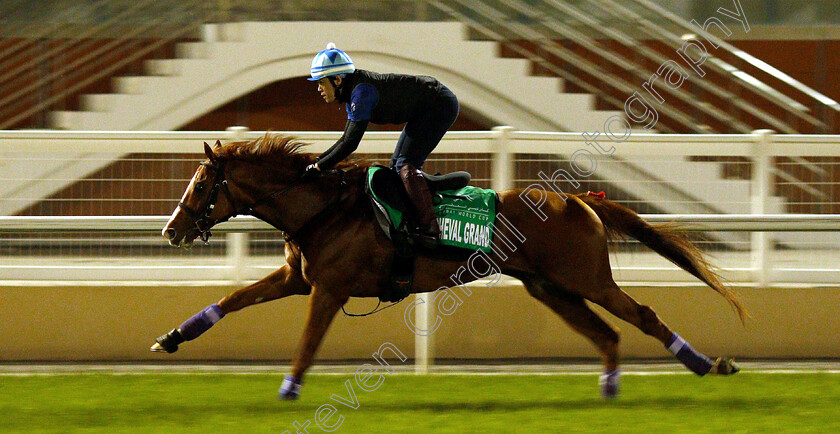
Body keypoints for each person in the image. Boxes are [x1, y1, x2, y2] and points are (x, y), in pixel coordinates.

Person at [302, 43, 460, 248]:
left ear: (338, 79)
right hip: (427, 107)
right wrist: (316, 163)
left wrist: (318, 167)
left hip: (439, 104)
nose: (319, 89)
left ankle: (430, 230)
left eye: (321, 82)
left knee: (405, 165)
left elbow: (350, 143)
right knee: (397, 165)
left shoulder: (361, 93)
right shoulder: (353, 92)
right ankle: (418, 206)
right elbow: (344, 139)